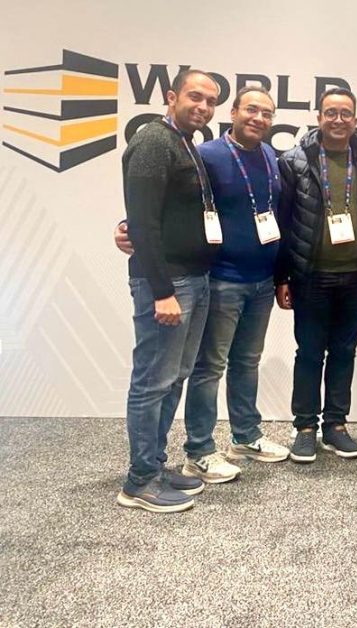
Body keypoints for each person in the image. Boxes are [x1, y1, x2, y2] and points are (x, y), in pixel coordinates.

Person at [115, 86, 291, 484]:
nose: (258, 118)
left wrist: (281, 274)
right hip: (221, 278)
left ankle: (245, 436)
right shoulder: (205, 154)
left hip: (261, 280)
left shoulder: (270, 156)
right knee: (207, 368)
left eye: (267, 113)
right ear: (234, 111)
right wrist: (126, 227)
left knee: (246, 361)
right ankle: (199, 450)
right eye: (251, 109)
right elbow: (160, 202)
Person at [275, 87, 357, 464]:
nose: (338, 119)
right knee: (310, 353)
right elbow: (282, 220)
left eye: (345, 113)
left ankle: (336, 425)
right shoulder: (294, 161)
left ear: (355, 120)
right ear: (319, 117)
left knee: (344, 352)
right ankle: (305, 428)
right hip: (310, 276)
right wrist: (281, 276)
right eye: (331, 112)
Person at [116, 70, 219, 512]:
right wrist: (161, 291)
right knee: (152, 381)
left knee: (174, 377)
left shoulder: (185, 143)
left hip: (194, 278)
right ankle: (140, 481)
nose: (203, 106)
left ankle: (155, 464)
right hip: (167, 283)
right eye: (196, 96)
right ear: (172, 96)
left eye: (211, 101)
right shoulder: (154, 142)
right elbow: (142, 219)